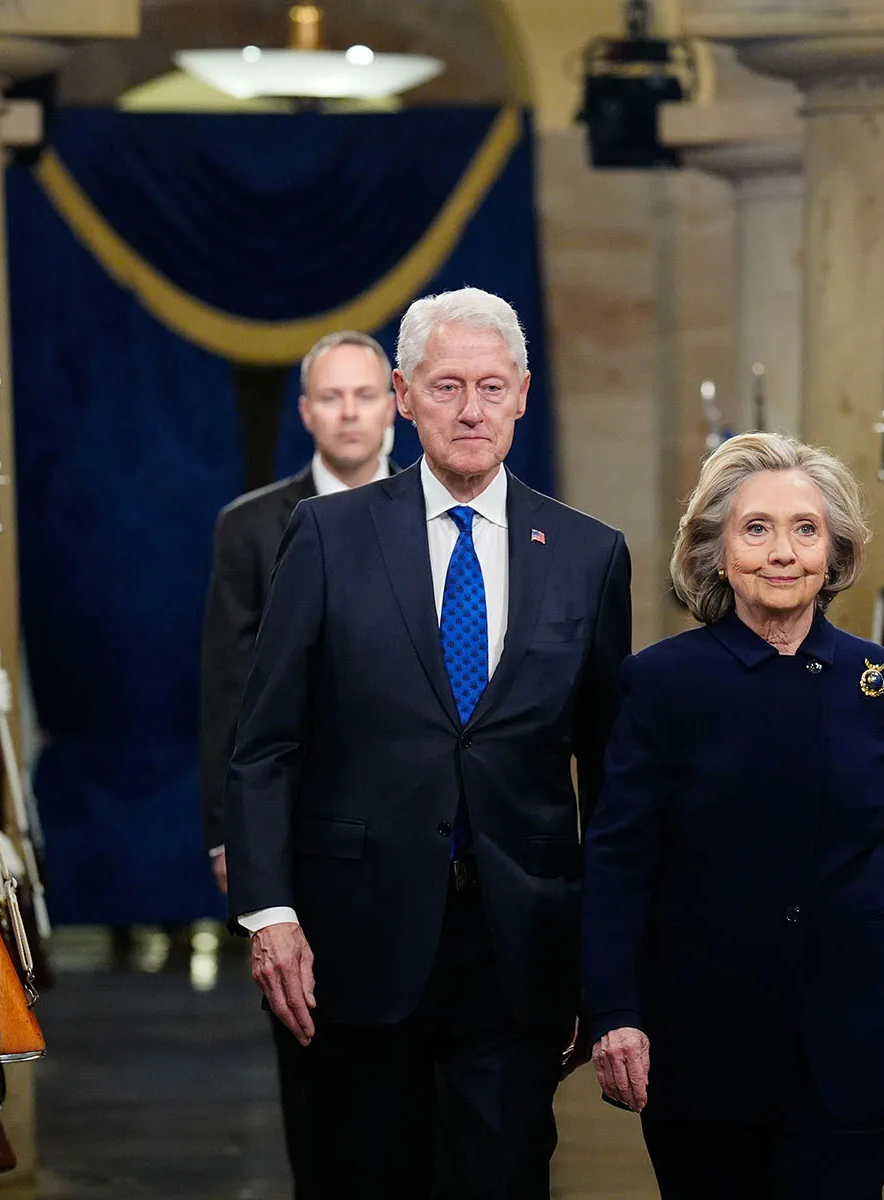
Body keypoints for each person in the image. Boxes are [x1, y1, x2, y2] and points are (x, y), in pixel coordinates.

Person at [225, 287, 632, 1197]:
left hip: (520, 943)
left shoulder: (589, 554)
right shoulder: (326, 535)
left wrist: (609, 970)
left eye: (493, 386)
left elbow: (612, 782)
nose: (472, 409)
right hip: (356, 939)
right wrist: (270, 912)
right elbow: (266, 743)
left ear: (525, 394)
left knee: (504, 1176)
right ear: (403, 395)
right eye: (447, 386)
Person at [582, 431, 884, 1199]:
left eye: (805, 530)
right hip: (704, 1043)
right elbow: (618, 860)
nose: (783, 552)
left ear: (835, 552)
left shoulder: (880, 679)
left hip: (851, 1043)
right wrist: (615, 1010)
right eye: (757, 529)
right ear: (715, 551)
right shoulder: (661, 684)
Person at [198, 329, 396, 1196]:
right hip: (299, 827)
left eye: (365, 394)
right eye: (332, 397)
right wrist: (229, 836)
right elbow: (228, 693)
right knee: (311, 1039)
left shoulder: (445, 519)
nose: (350, 412)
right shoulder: (252, 527)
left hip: (414, 817)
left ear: (394, 402)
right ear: (306, 411)